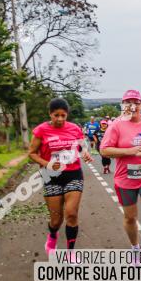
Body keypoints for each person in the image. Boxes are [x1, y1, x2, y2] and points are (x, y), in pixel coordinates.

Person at [28, 98, 93, 254]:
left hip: (73, 174)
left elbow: (82, 145)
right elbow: (31, 153)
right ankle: (53, 235)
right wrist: (47, 163)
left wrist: (85, 152)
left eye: (63, 115)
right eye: (56, 115)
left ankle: (70, 253)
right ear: (50, 114)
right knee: (56, 220)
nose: (60, 119)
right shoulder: (41, 130)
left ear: (67, 114)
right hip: (51, 176)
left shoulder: (74, 128)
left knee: (71, 214)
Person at [100, 90, 141, 250]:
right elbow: (104, 150)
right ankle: (135, 247)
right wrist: (130, 151)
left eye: (136, 102)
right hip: (125, 178)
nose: (133, 106)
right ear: (123, 106)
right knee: (130, 218)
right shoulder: (116, 125)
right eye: (128, 102)